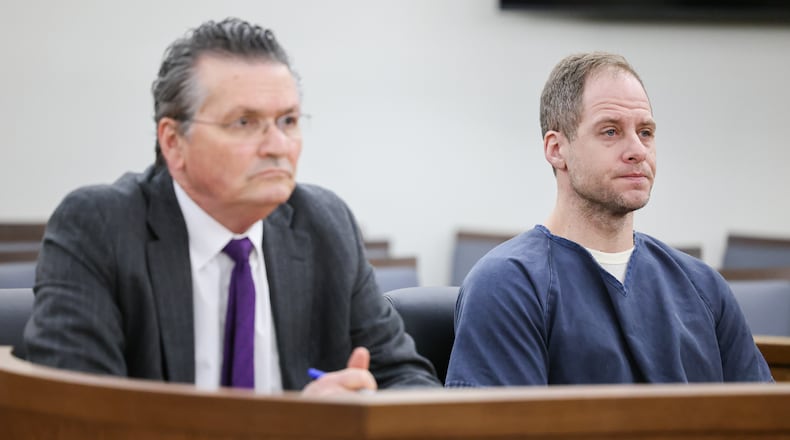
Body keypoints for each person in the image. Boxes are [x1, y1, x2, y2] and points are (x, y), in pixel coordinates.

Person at [23, 18, 440, 395]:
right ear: (173, 142)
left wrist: (365, 409)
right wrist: (299, 428)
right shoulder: (99, 228)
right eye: (244, 122)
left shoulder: (325, 225)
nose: (277, 146)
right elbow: (79, 415)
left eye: (288, 121)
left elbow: (409, 381)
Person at [445, 52, 772, 386]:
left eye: (645, 132)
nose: (638, 150)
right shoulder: (508, 285)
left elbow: (763, 412)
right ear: (557, 149)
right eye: (611, 131)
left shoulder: (703, 286)